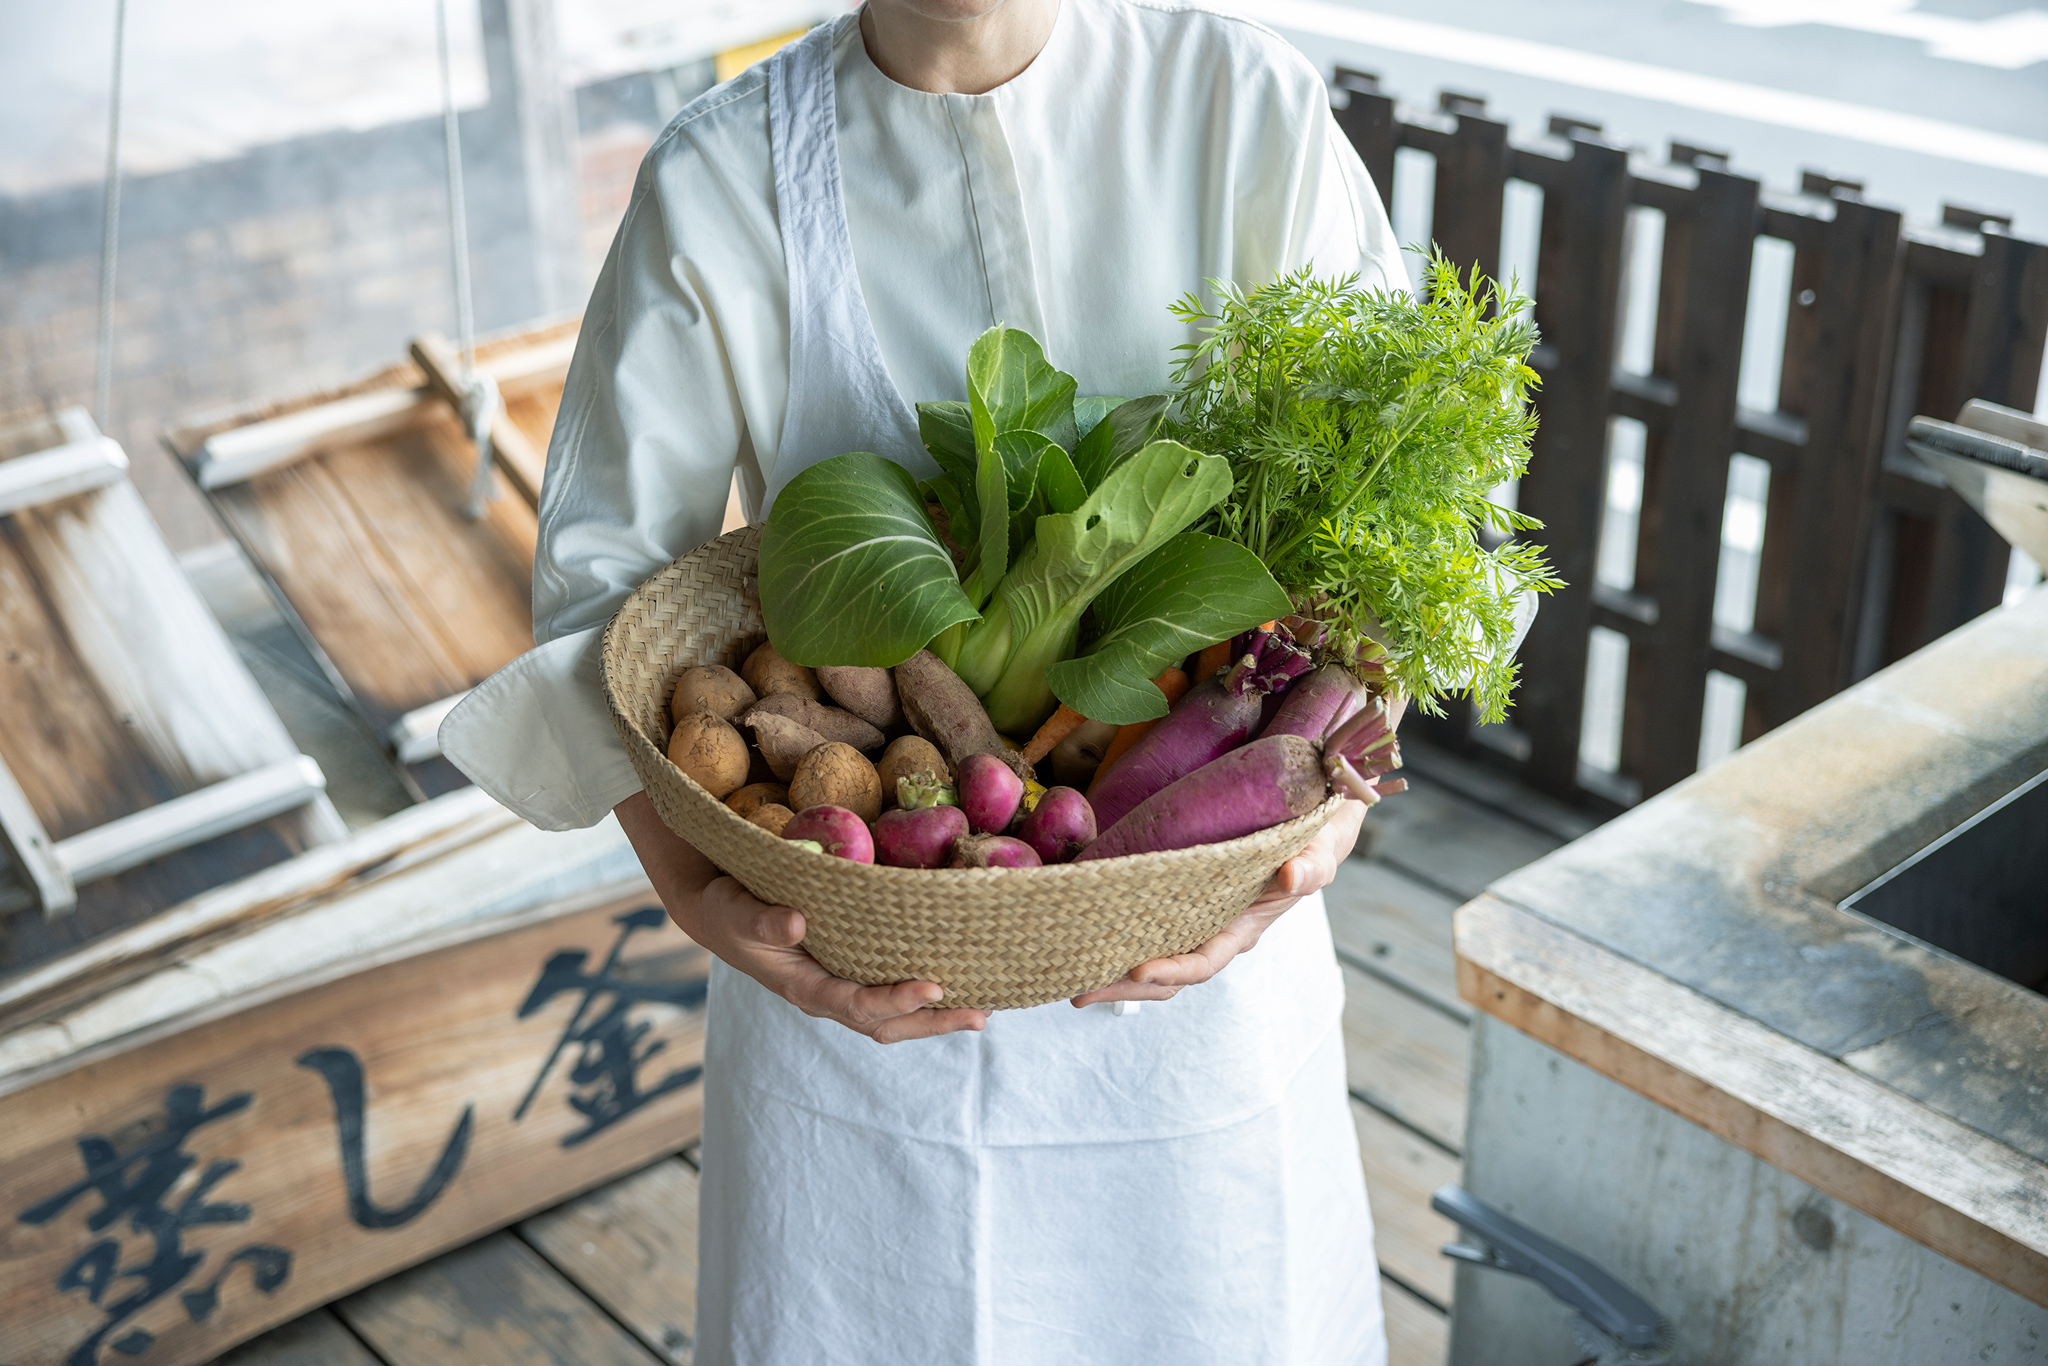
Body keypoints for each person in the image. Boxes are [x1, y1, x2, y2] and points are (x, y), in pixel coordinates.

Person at [443, 1, 1409, 1361]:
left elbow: (1402, 536)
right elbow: (607, 595)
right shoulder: (721, 170)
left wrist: (1324, 829)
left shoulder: (1238, 101)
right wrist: (705, 904)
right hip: (854, 998)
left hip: (1204, 990)